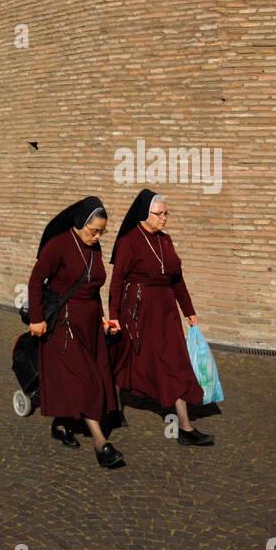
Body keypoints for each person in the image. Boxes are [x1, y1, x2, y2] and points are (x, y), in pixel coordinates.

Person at [108, 190, 213, 446]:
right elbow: (117, 282)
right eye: (160, 214)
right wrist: (113, 317)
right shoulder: (129, 241)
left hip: (166, 313)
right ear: (145, 214)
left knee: (174, 363)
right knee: (123, 360)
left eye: (166, 213)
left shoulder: (166, 241)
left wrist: (189, 310)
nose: (165, 218)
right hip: (137, 312)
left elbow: (177, 279)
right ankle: (112, 410)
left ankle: (185, 428)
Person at [27, 196, 124, 468]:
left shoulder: (95, 247)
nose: (97, 236)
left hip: (90, 322)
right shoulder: (57, 246)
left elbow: (93, 286)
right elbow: (36, 282)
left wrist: (104, 319)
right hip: (63, 323)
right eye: (94, 230)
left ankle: (61, 424)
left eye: (102, 232)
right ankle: (101, 443)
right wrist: (36, 318)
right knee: (85, 378)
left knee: (89, 374)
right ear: (80, 223)